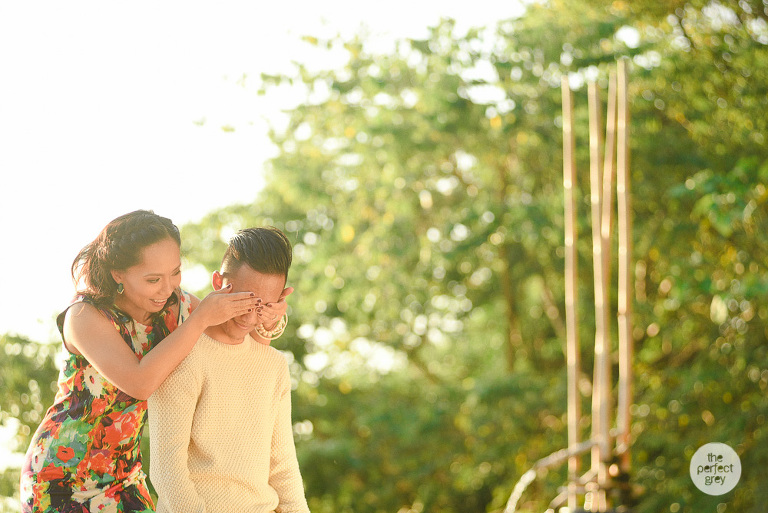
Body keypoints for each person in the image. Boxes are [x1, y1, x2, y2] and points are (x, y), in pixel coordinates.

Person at [19, 210, 286, 513]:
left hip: (126, 477)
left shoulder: (179, 307)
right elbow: (139, 383)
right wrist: (198, 321)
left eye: (175, 273)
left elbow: (238, 342)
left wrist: (268, 316)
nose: (167, 288)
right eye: (153, 279)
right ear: (118, 273)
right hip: (61, 477)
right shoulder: (84, 316)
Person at [148, 226, 309, 513]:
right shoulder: (181, 355)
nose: (249, 315)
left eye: (262, 305)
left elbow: (283, 465)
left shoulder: (273, 366)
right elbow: (166, 469)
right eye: (243, 299)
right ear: (218, 283)